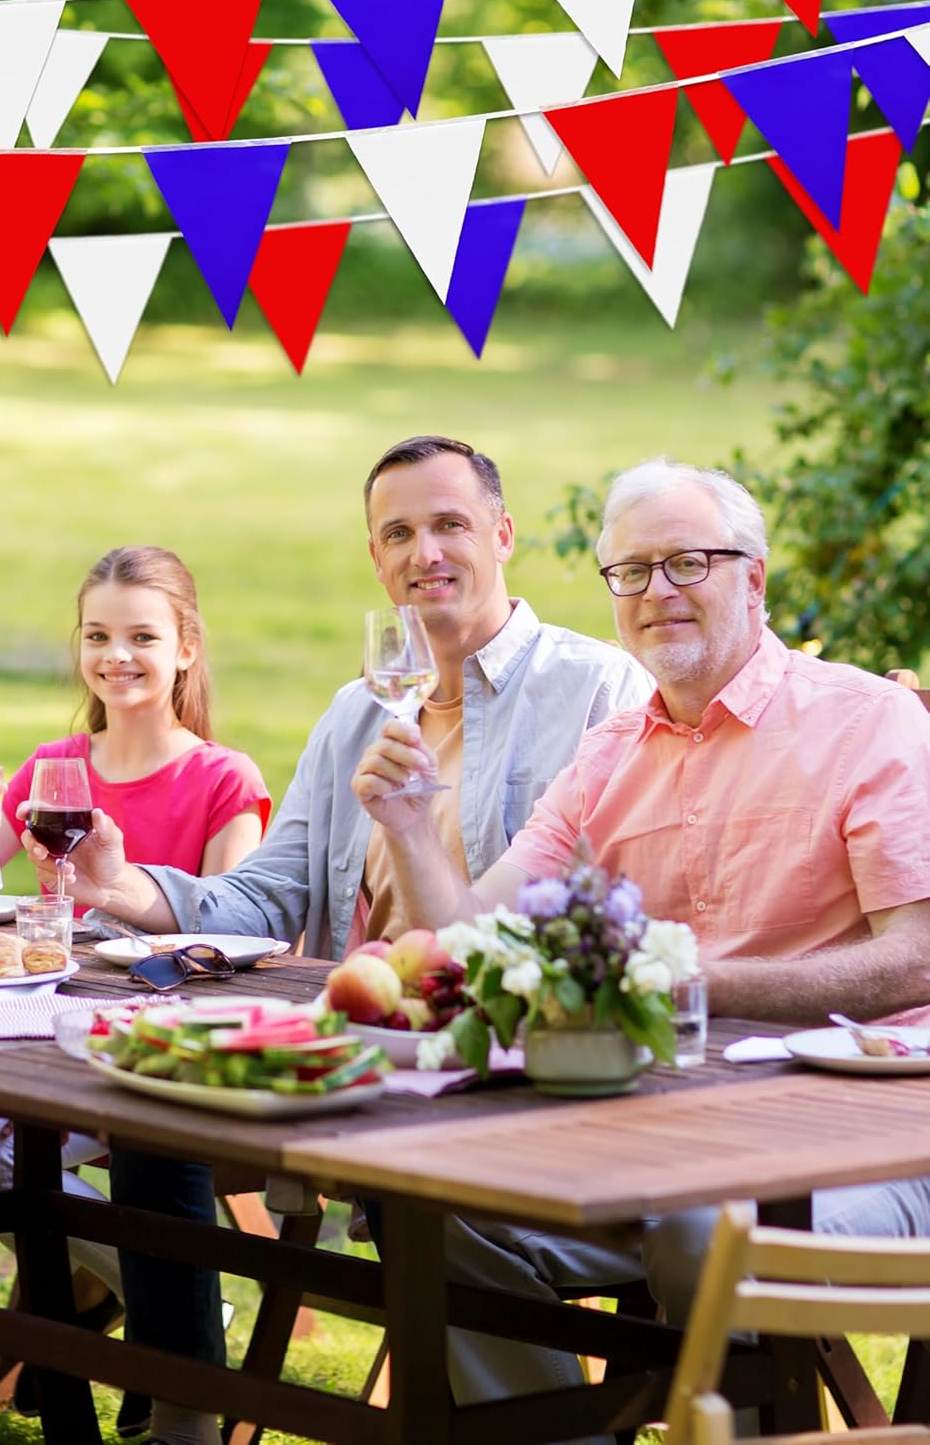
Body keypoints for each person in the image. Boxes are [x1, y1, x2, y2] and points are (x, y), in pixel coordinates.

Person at [354, 458, 930, 1434]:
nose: (657, 593)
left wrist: (700, 983)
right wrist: (410, 827)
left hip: (871, 1142)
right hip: (661, 1138)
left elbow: (917, 961)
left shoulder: (870, 721)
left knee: (711, 1230)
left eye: (686, 564)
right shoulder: (610, 753)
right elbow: (465, 940)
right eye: (631, 572)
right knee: (436, 1212)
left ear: (753, 578)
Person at [0, 545, 270, 1445]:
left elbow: (236, 937)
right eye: (99, 635)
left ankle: (163, 1345)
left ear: (187, 649)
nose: (117, 656)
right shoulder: (56, 766)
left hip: (156, 1042)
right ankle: (159, 1311)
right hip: (38, 1027)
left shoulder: (223, 778)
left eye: (142, 635)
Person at [25, 436, 651, 954]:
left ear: (503, 536)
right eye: (399, 534)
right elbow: (268, 897)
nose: (425, 553)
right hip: (363, 1026)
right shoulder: (357, 714)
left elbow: (623, 904)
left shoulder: (598, 687)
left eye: (450, 525)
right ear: (377, 558)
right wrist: (121, 886)